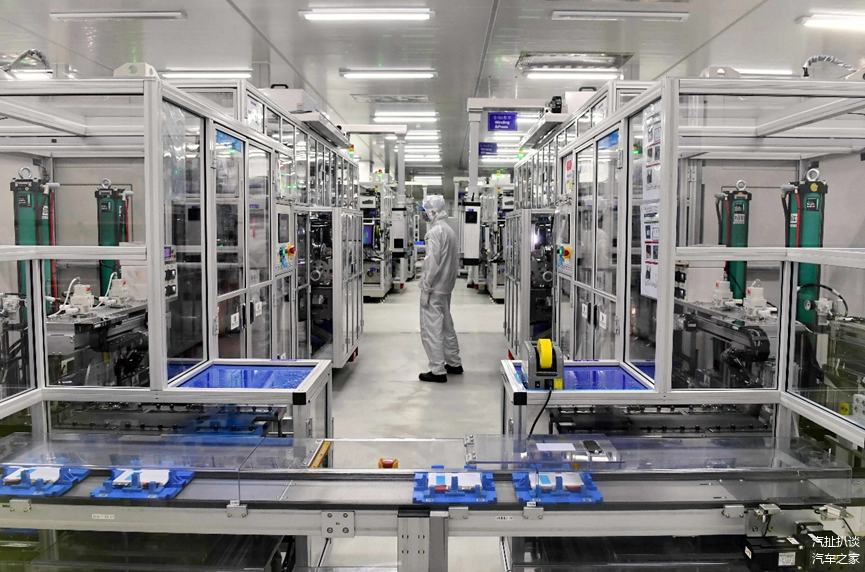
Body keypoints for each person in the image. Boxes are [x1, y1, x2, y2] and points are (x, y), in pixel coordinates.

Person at [418, 195, 462, 383]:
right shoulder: (449, 231)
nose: (424, 214)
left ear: (432, 211)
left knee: (432, 328)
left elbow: (432, 263)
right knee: (446, 325)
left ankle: (437, 370)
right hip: (446, 287)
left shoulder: (434, 232)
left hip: (435, 288)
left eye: (425, 211)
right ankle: (454, 362)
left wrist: (426, 288)